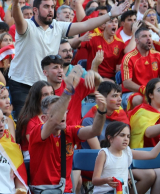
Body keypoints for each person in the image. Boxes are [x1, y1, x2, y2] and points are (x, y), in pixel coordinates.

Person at [8, 0, 129, 118]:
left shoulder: (57, 26)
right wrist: (15, 5)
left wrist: (110, 15)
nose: (50, 10)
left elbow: (85, 25)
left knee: (47, 122)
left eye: (52, 7)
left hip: (46, 84)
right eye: (46, 7)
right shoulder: (26, 25)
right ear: (35, 10)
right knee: (25, 123)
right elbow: (18, 20)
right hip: (21, 83)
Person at [28, 66, 106, 194]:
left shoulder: (70, 131)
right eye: (57, 112)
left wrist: (101, 111)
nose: (62, 115)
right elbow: (53, 121)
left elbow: (95, 131)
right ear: (43, 118)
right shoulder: (37, 131)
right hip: (43, 191)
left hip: (66, 190)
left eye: (64, 111)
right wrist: (69, 89)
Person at [92, 122, 160, 194]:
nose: (126, 139)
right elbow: (95, 180)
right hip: (105, 192)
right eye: (122, 135)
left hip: (122, 191)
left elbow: (152, 154)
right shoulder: (104, 154)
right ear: (110, 138)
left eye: (128, 136)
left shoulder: (127, 151)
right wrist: (106, 180)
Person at [41, 55, 101, 125]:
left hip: (75, 133)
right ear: (45, 72)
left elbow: (99, 87)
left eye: (61, 67)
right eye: (55, 68)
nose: (60, 71)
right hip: (52, 133)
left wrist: (94, 74)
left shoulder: (75, 83)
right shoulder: (42, 92)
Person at [121, 27, 160, 110]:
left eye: (150, 36)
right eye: (144, 36)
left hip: (153, 91)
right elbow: (127, 83)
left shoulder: (158, 56)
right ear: (136, 40)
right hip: (132, 92)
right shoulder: (129, 57)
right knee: (139, 99)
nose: (149, 39)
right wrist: (144, 90)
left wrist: (159, 90)